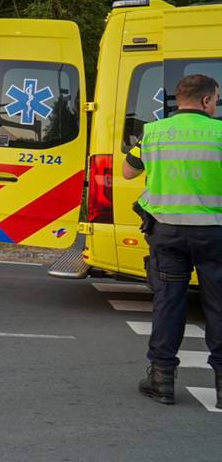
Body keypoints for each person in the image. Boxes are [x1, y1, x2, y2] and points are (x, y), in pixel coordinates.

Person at [122, 73, 222, 407]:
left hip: (166, 233)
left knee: (168, 302)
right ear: (207, 100)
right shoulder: (220, 132)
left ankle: (161, 380)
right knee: (218, 306)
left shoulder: (153, 132)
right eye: (216, 100)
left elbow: (128, 172)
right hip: (214, 233)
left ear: (179, 99)